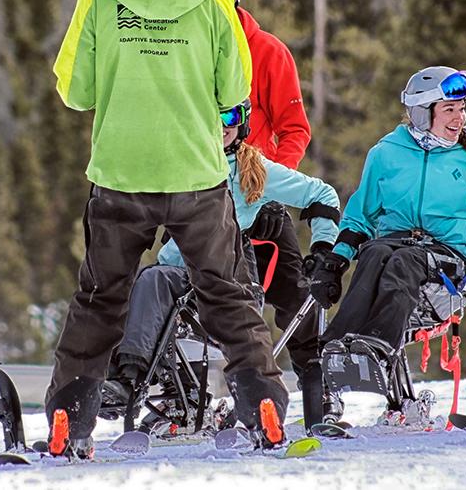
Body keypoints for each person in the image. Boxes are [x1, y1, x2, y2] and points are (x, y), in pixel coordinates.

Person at [48, 0, 288, 457]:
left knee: (100, 300)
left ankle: (69, 420)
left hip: (121, 175)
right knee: (227, 296)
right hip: (196, 175)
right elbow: (235, 90)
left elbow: (74, 91)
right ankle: (265, 408)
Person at [105, 100, 339, 424]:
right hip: (181, 268)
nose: (222, 125)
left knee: (234, 315)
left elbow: (322, 195)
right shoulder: (179, 162)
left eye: (229, 116)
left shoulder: (253, 168)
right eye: (211, 116)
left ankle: (258, 406)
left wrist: (323, 246)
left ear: (242, 122)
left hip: (230, 273)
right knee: (149, 281)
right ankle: (128, 382)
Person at [310, 66, 466, 382]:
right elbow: (360, 215)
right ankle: (338, 346)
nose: (459, 117)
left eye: (462, 108)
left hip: (448, 260)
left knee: (403, 261)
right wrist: (337, 259)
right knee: (375, 253)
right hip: (393, 243)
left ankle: (378, 346)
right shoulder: (386, 154)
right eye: (449, 109)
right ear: (422, 112)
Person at [202, 0, 327, 425]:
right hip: (203, 197)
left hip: (259, 196)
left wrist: (271, 179)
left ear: (233, 4)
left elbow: (295, 128)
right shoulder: (192, 52)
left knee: (294, 295)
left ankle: (318, 400)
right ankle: (179, 403)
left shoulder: (267, 51)